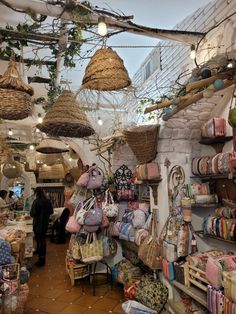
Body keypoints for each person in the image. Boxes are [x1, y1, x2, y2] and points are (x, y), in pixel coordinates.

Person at [30, 187, 53, 267]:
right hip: (45, 224)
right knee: (42, 240)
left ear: (36, 193)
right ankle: (41, 255)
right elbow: (51, 212)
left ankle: (41, 260)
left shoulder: (36, 201)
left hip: (37, 224)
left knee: (40, 241)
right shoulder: (47, 201)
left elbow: (32, 214)